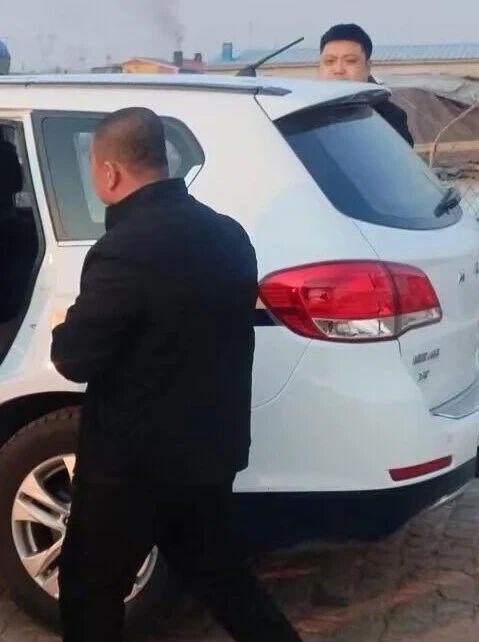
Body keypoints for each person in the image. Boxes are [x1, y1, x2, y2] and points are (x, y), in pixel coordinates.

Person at [51, 107, 301, 642]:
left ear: (110, 172)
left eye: (93, 168)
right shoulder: (228, 234)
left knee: (90, 589)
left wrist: (62, 326)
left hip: (132, 466)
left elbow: (75, 359)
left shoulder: (121, 250)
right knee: (222, 578)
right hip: (211, 451)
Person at [319, 23, 414, 145]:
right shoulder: (302, 112)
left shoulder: (387, 118)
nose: (338, 70)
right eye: (329, 61)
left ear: (367, 67)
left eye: (350, 61)